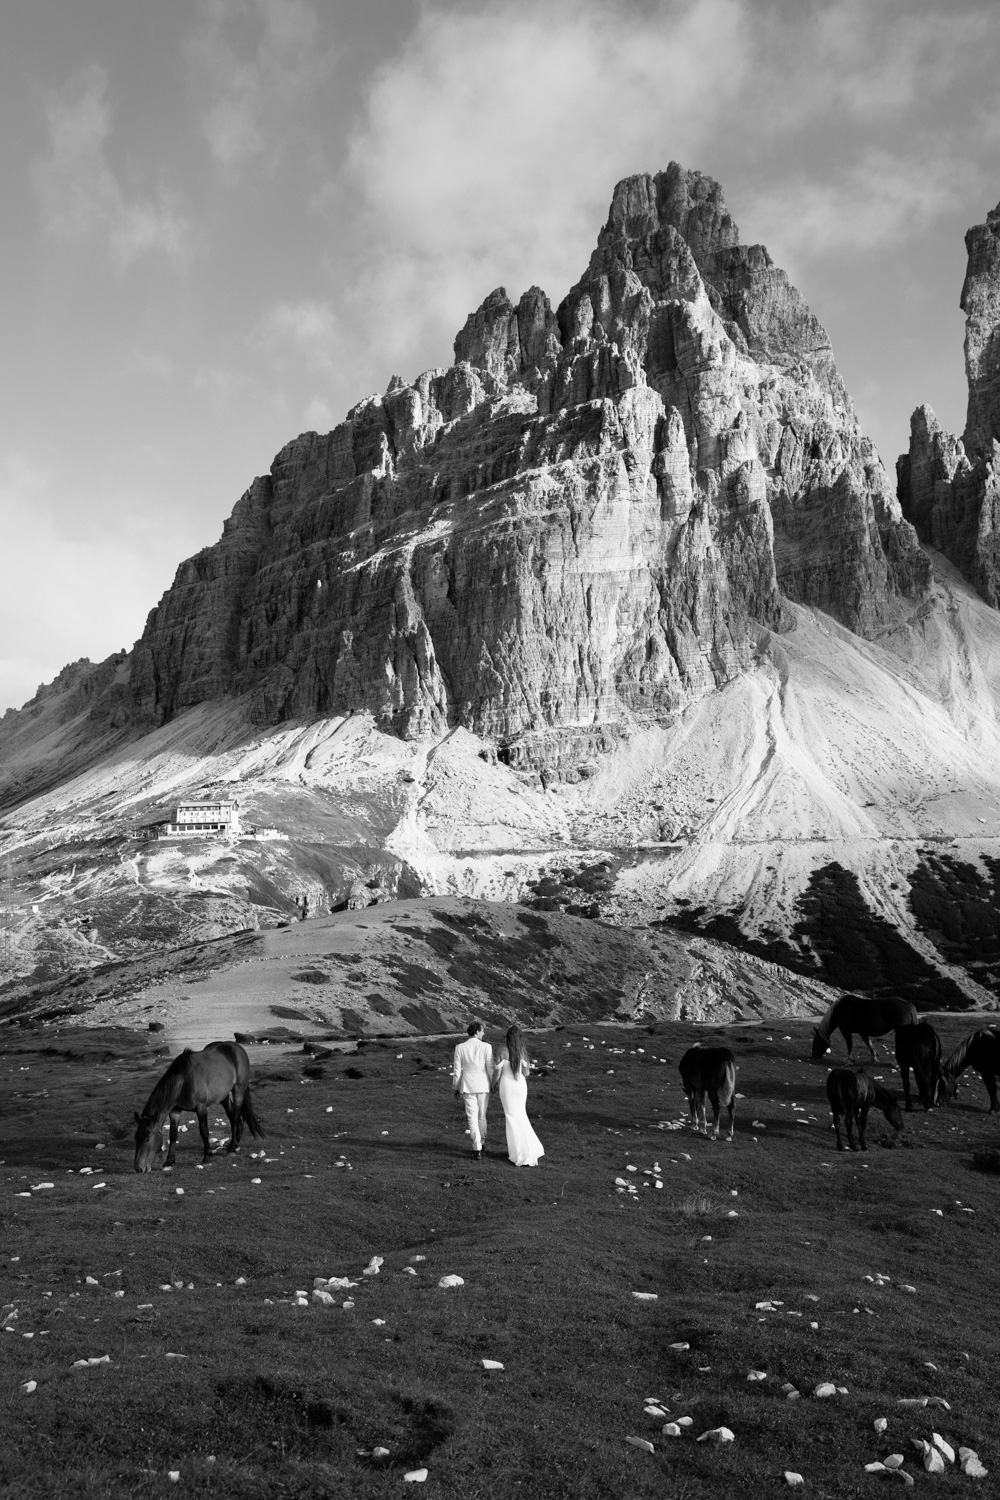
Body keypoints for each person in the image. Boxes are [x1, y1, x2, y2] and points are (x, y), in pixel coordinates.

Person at [493, 1024, 544, 1166]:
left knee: (511, 1118)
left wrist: (493, 1085)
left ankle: (518, 1153)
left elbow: (497, 1072)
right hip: (520, 1086)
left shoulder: (502, 1050)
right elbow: (526, 1073)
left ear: (508, 1037)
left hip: (507, 1086)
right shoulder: (522, 1052)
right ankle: (527, 1149)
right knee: (521, 1115)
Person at [452, 1020, 494, 1160]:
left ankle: (477, 1148)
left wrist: (456, 1087)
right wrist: (494, 1083)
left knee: (472, 1117)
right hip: (483, 1085)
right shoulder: (487, 1047)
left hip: (467, 1085)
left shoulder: (459, 1047)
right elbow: (490, 1068)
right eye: (482, 1030)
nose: (484, 1033)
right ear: (477, 1031)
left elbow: (457, 1070)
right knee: (481, 1116)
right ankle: (481, 1142)